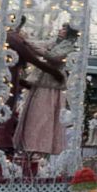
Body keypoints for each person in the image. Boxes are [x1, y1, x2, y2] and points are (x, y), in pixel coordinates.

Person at [0, 16, 66, 151]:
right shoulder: (12, 37)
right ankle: (3, 141)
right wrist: (52, 71)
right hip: (9, 74)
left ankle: (5, 140)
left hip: (10, 75)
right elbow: (31, 57)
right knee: (7, 107)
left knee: (7, 107)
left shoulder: (8, 36)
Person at [14, 23, 78, 155]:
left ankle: (40, 146)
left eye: (64, 29)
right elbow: (41, 45)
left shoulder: (68, 46)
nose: (60, 29)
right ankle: (29, 145)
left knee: (44, 115)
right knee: (34, 114)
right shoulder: (54, 42)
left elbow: (53, 56)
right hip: (41, 81)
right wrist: (26, 41)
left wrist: (29, 44)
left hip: (52, 85)